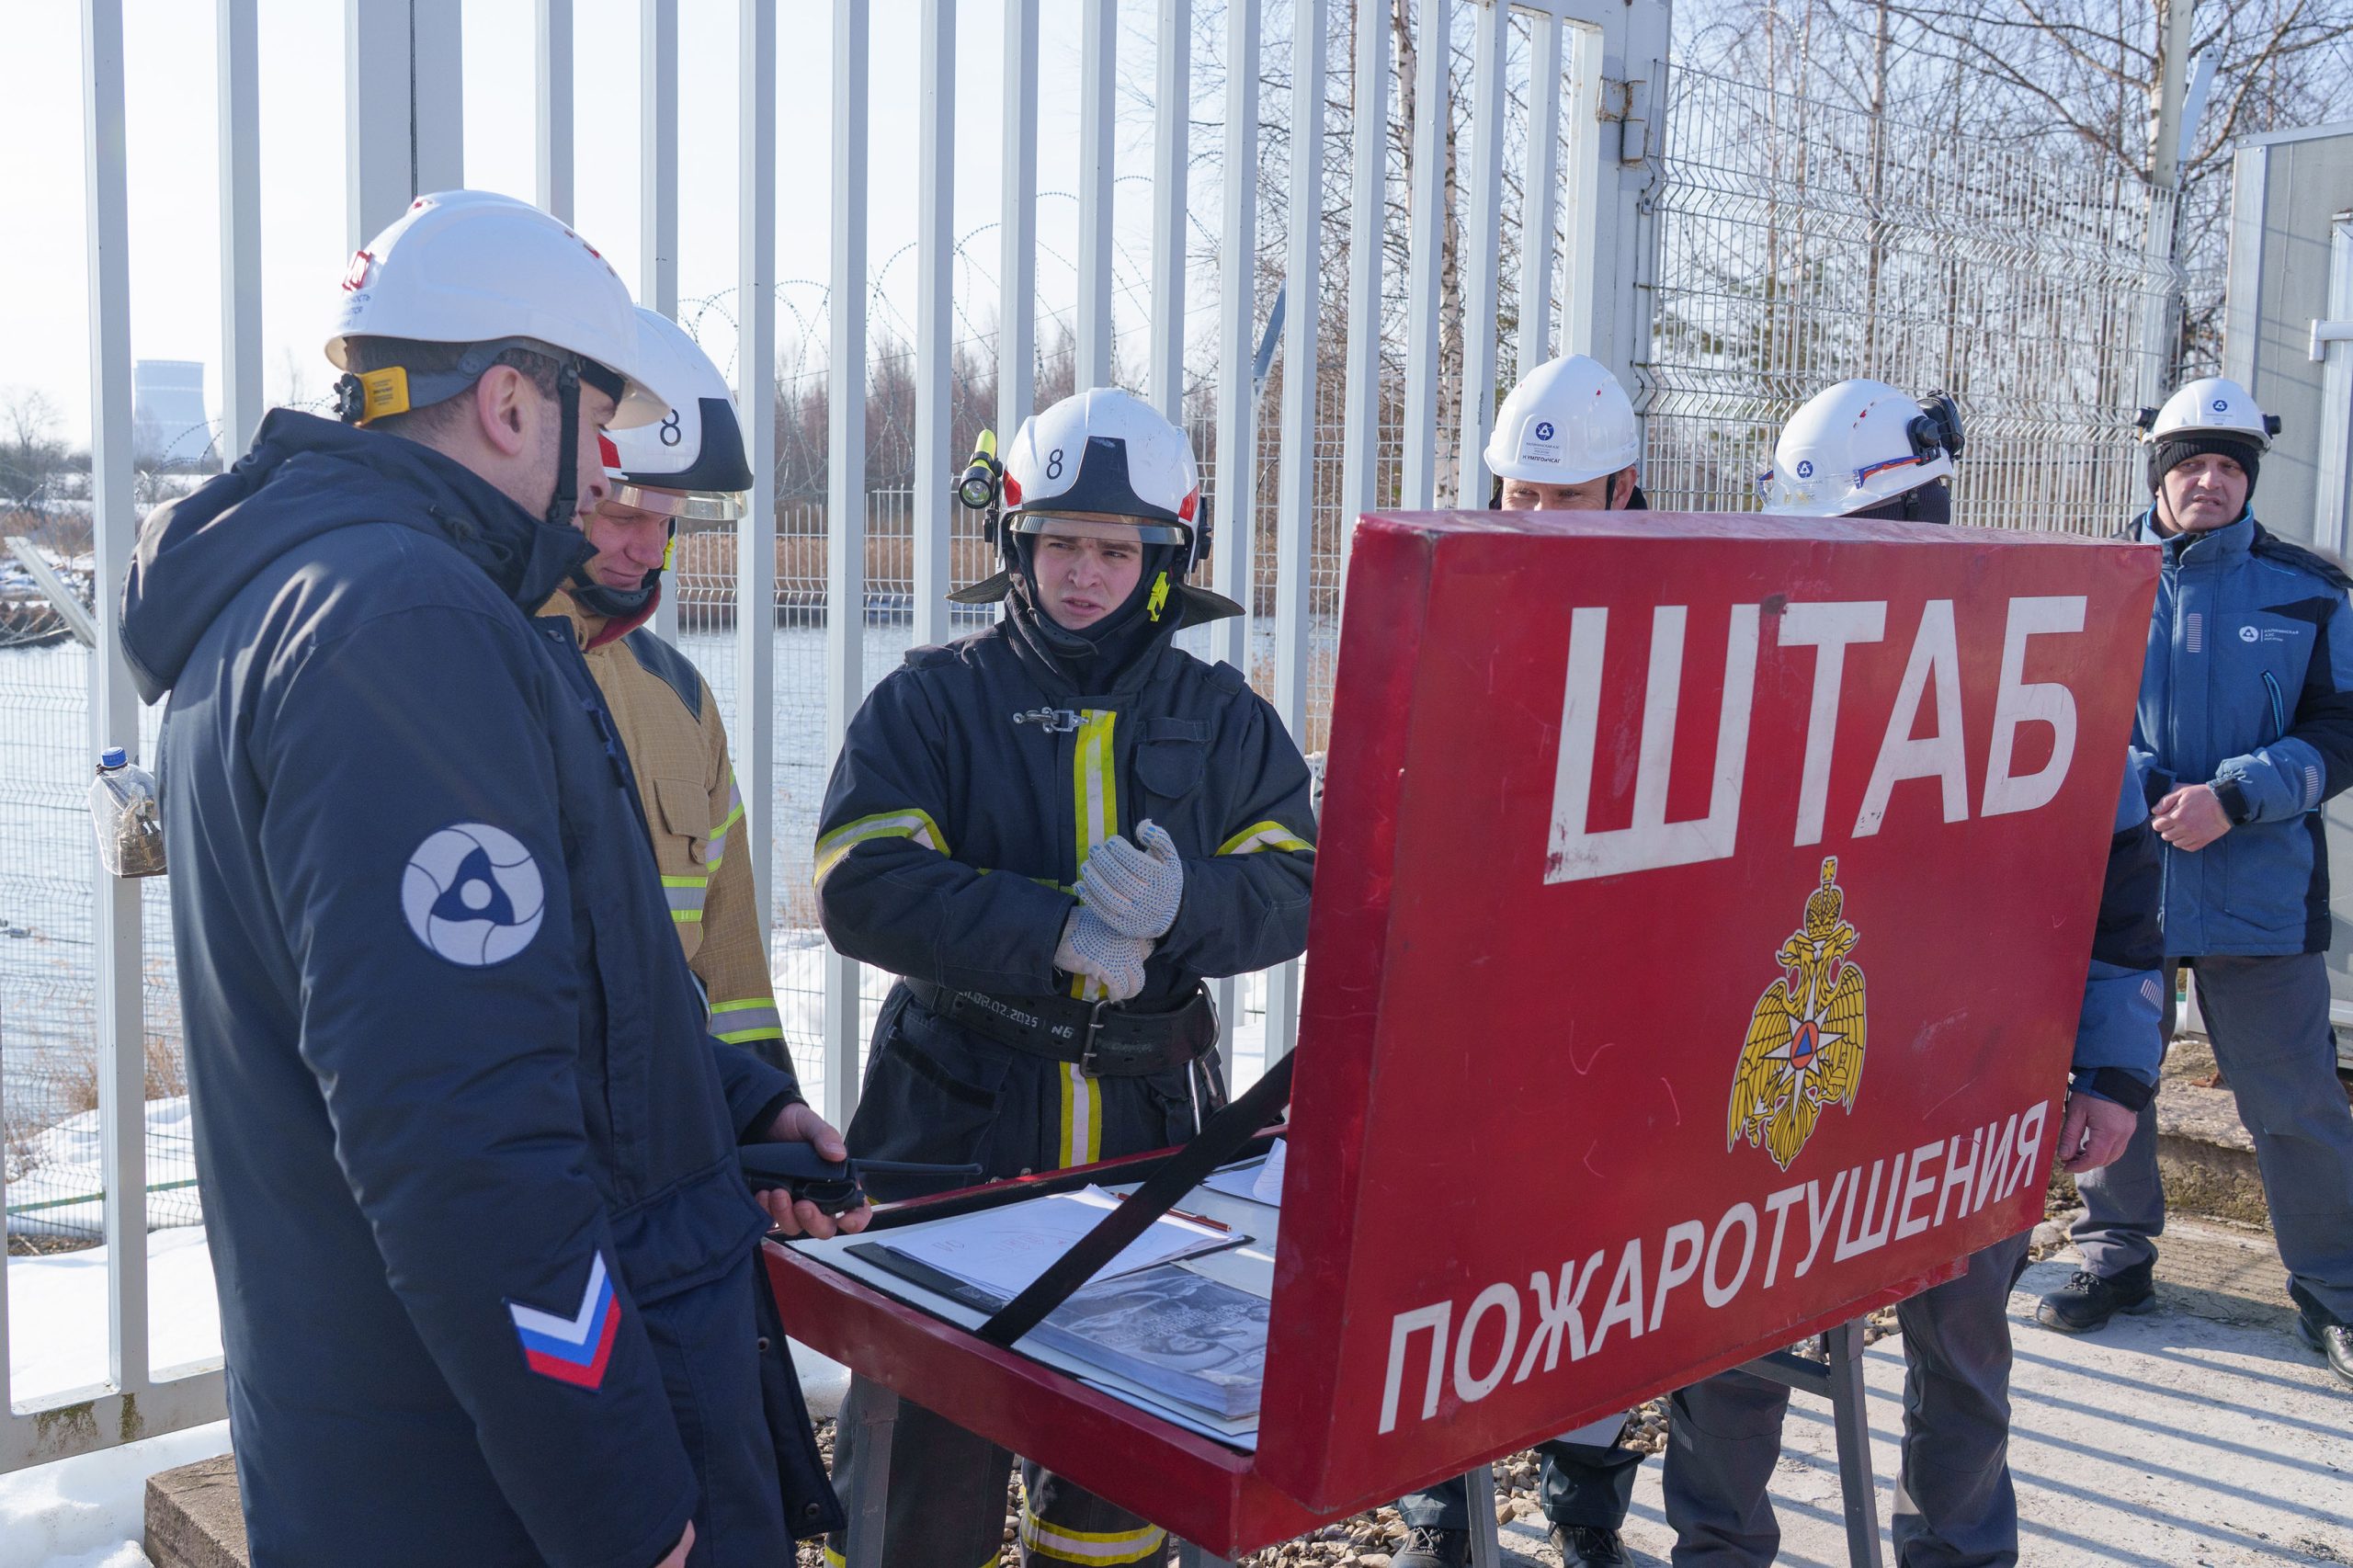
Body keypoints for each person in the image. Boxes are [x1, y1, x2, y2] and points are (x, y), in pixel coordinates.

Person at [119, 190, 860, 1568]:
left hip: (396, 1450)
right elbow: (460, 1141)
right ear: (515, 402)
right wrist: (626, 1503)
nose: (608, 473)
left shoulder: (314, 599)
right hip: (478, 1493)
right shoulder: (408, 627)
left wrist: (733, 1105)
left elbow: (529, 998)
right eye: (598, 414)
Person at [1652, 378, 2161, 1567]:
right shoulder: (1757, 666)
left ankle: (1962, 1551)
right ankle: (1719, 1551)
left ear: (1926, 517)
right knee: (1732, 1339)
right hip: (1796, 1068)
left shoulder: (2043, 671)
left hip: (1974, 1081)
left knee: (1961, 1337)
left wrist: (2119, 1071)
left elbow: (2123, 897)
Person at [813, 385, 1318, 1567]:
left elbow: (1300, 879)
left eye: (1112, 548)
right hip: (951, 1121)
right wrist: (1049, 931)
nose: (1082, 572)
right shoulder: (931, 699)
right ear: (1015, 543)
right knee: (913, 1476)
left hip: (1144, 1133)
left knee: (1113, 1484)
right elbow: (857, 880)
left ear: (1164, 557)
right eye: (1057, 544)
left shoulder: (1225, 714)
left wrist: (1188, 903)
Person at [2041, 376, 2353, 1389]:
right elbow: (2057, 711)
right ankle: (2114, 1249)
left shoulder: (2308, 587)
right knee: (2108, 1071)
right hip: (2124, 883)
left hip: (2259, 891)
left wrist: (2242, 791)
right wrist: (2132, 784)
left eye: (2228, 465)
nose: (2209, 480)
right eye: (2191, 464)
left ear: (2248, 480)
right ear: (2159, 476)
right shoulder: (2095, 580)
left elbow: (2342, 728)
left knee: (2296, 1101)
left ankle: (2334, 1287)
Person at [1393, 353, 1651, 1568]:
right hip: (1482, 987)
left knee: (1602, 1246)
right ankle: (1445, 1513)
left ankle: (1585, 1505)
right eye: (1520, 493)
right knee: (1459, 1245)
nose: (1535, 518)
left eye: (1565, 495)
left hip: (1621, 990)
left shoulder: (1682, 608)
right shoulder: (1458, 589)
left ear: (1625, 490)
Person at [543, 305, 789, 1070]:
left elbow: (733, 960)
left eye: (670, 517)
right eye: (622, 514)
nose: (650, 549)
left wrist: (768, 1114)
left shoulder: (680, 694)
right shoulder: (481, 662)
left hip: (673, 1118)